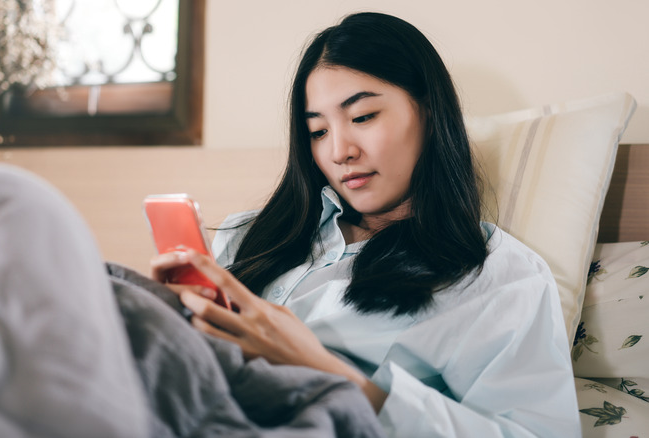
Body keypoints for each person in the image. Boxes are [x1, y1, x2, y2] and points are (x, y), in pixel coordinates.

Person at [150, 12, 581, 436]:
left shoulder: (495, 276)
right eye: (317, 131)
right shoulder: (248, 236)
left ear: (428, 112)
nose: (339, 151)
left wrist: (324, 372)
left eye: (362, 118)